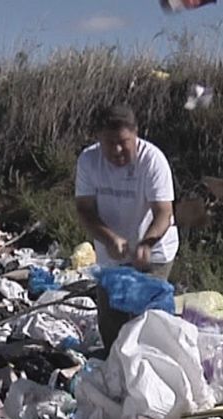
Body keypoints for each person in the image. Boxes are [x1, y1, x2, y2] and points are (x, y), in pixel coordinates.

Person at [74, 104, 178, 350]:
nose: (117, 150)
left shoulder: (152, 160)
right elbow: (84, 209)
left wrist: (147, 243)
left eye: (124, 142)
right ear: (99, 139)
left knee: (147, 322)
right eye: (110, 143)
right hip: (112, 253)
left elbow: (164, 213)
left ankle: (152, 374)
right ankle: (118, 372)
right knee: (112, 322)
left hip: (154, 252)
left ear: (136, 134)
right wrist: (109, 238)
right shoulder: (89, 161)